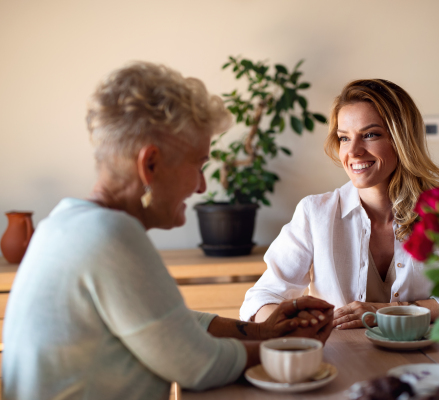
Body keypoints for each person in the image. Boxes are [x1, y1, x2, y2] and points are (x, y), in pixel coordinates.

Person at [2, 62, 334, 400]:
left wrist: (259, 331)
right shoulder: (109, 235)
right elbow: (197, 366)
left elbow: (166, 322)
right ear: (150, 165)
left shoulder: (66, 223)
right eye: (199, 165)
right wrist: (290, 349)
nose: (202, 186)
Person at [240, 79, 439, 329]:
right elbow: (260, 298)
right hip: (343, 361)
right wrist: (295, 323)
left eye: (370, 135)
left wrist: (383, 311)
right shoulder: (315, 213)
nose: (354, 151)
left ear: (402, 139)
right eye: (344, 138)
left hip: (428, 361)